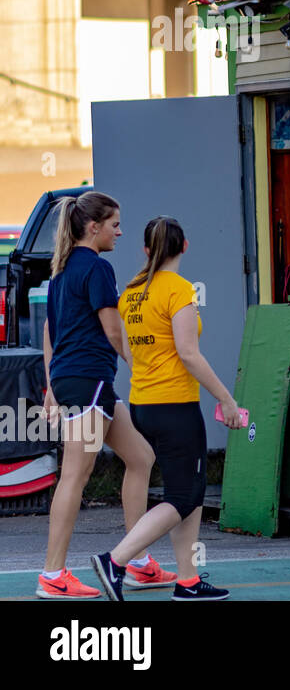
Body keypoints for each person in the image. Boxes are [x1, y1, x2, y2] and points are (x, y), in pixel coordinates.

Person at [91, 217, 239, 601]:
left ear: (145, 249)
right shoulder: (179, 289)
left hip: (143, 404)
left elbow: (126, 346)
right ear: (184, 246)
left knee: (186, 491)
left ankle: (187, 580)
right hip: (175, 405)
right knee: (185, 494)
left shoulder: (133, 290)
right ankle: (117, 560)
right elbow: (189, 354)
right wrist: (226, 398)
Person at [37, 192, 162, 599]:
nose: (120, 232)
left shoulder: (62, 271)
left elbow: (49, 333)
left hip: (85, 384)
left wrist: (53, 385)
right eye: (114, 225)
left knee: (141, 458)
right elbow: (112, 329)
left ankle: (137, 562)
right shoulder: (97, 268)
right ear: (94, 227)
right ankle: (53, 575)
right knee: (76, 474)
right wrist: (140, 366)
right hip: (88, 383)